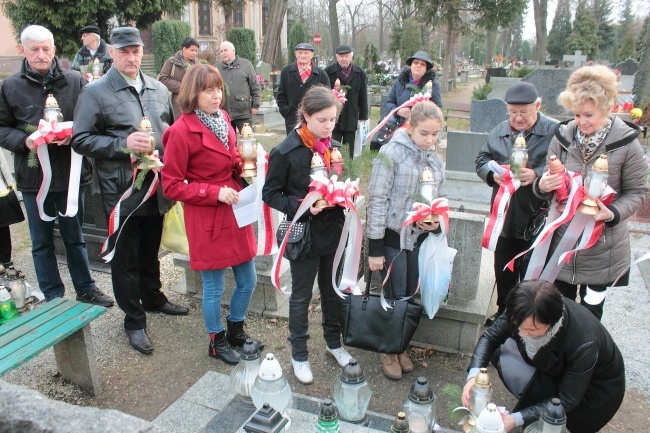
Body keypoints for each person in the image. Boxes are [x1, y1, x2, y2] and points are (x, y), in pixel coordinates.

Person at [72, 27, 188, 355]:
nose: (131, 57)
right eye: (124, 51)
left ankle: (153, 297)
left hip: (156, 186)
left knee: (151, 248)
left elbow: (170, 133)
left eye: (136, 50)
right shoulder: (96, 92)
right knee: (125, 257)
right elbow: (81, 139)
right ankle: (134, 320)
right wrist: (123, 144)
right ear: (112, 52)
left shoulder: (157, 89)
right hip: (119, 191)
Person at [0, 25, 114, 307]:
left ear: (54, 49)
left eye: (46, 49)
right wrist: (25, 140)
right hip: (33, 177)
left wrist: (74, 134)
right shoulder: (9, 86)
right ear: (23, 51)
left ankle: (86, 288)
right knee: (41, 243)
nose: (41, 55)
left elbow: (93, 120)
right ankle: (53, 295)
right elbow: (2, 128)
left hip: (72, 174)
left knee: (75, 237)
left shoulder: (75, 80)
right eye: (34, 49)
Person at [161, 64, 264, 365]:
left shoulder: (224, 118)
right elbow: (171, 185)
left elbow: (230, 155)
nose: (216, 94)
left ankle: (236, 331)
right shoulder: (180, 132)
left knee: (248, 281)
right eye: (208, 89)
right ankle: (216, 341)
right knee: (214, 288)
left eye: (218, 88)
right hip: (208, 217)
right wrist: (212, 192)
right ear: (193, 92)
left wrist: (245, 162)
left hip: (235, 209)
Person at [535, 65, 648, 320]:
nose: (581, 122)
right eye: (576, 115)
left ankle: (585, 359)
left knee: (590, 316)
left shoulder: (627, 144)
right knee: (557, 312)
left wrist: (613, 212)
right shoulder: (563, 137)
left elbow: (638, 192)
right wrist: (543, 186)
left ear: (607, 109)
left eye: (589, 115)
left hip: (602, 250)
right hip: (562, 244)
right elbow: (547, 176)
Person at [262, 85, 352, 384]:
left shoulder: (333, 146)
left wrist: (347, 193)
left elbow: (339, 180)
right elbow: (271, 193)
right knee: (301, 296)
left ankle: (333, 342)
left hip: (334, 230)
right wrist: (301, 205)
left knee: (332, 290)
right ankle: (299, 354)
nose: (329, 127)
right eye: (323, 120)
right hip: (304, 233)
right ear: (306, 115)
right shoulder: (285, 151)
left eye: (333, 120)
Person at [462, 280, 625, 432]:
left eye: (531, 330)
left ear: (552, 323)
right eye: (517, 326)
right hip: (557, 369)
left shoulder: (584, 342)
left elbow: (568, 399)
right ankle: (535, 398)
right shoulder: (524, 304)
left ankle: (538, 408)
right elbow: (491, 337)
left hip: (592, 396)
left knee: (550, 421)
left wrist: (515, 419)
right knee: (503, 352)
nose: (521, 333)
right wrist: (473, 376)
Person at [366, 100, 446, 380]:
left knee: (410, 293)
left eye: (435, 134)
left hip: (420, 240)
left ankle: (400, 346)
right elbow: (377, 199)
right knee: (394, 294)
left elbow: (440, 197)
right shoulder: (392, 153)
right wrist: (375, 247)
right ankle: (388, 350)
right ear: (410, 127)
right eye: (424, 133)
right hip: (392, 239)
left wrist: (435, 221)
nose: (430, 140)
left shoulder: (435, 159)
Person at [475, 82, 557, 325]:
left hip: (538, 214)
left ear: (538, 106)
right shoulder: (499, 131)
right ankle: (504, 312)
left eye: (524, 112)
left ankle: (530, 318)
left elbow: (564, 165)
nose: (518, 118)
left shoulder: (554, 131)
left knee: (533, 272)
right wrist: (492, 175)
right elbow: (482, 158)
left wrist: (539, 175)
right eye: (513, 112)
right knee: (503, 268)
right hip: (506, 215)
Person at [323, 44, 368, 159]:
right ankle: (333, 168)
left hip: (351, 115)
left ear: (351, 57)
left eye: (346, 56)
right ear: (337, 57)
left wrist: (363, 115)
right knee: (333, 145)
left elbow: (363, 95)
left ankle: (348, 170)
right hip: (334, 116)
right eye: (341, 56)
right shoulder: (328, 72)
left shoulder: (360, 73)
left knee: (349, 148)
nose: (344, 59)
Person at [276, 43, 330, 134]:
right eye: (300, 53)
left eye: (306, 53)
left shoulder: (320, 74)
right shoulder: (287, 71)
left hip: (314, 118)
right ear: (295, 54)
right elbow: (281, 94)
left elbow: (327, 96)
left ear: (312, 55)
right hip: (292, 118)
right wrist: (286, 111)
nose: (303, 55)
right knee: (293, 144)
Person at [384, 51, 442, 127]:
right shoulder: (400, 81)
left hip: (421, 128)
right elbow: (389, 103)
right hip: (398, 127)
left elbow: (438, 109)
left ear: (426, 69)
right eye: (416, 62)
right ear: (411, 65)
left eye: (422, 64)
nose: (418, 65)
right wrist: (398, 111)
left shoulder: (432, 85)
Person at [215, 41, 261, 133]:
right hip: (224, 112)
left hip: (243, 111)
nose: (223, 53)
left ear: (233, 51)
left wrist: (255, 105)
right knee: (228, 142)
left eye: (225, 50)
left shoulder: (246, 65)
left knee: (246, 139)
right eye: (221, 51)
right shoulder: (216, 68)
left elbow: (255, 86)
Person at [158, 37, 200, 120]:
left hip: (194, 105)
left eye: (196, 51)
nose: (194, 53)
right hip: (177, 105)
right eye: (192, 50)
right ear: (184, 49)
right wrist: (184, 88)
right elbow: (163, 79)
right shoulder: (171, 62)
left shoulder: (197, 65)